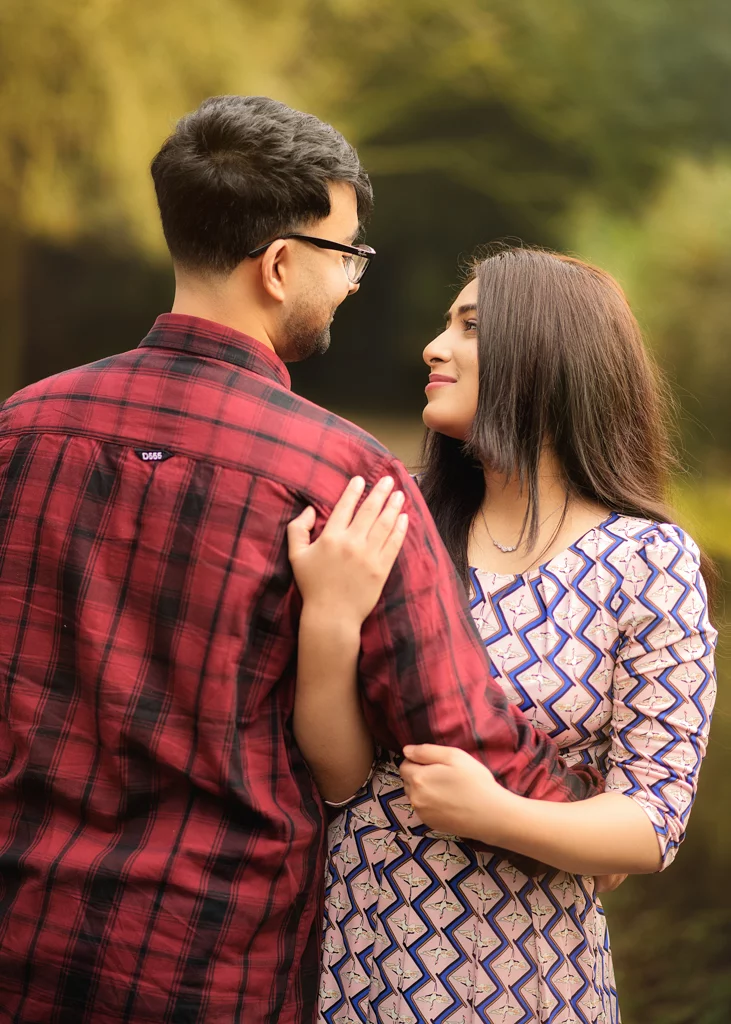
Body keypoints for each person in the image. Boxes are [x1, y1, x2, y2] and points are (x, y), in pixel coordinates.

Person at [0, 100, 602, 1024]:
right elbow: (452, 727)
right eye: (346, 254)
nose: (355, 283)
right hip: (207, 966)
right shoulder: (338, 476)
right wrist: (582, 823)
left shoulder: (21, 431)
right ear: (280, 265)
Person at [287, 247, 718, 1024]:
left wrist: (493, 814)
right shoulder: (399, 522)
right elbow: (343, 779)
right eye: (444, 323)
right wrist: (327, 614)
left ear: (546, 355)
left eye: (469, 327)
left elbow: (651, 823)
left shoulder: (648, 560)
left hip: (529, 984)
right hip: (360, 964)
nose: (433, 345)